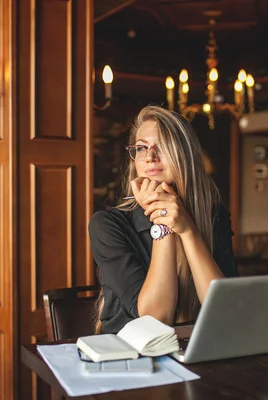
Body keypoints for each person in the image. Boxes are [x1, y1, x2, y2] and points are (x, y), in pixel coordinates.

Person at [88, 105, 238, 334]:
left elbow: (226, 310)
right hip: (130, 356)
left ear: (184, 154)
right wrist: (163, 221)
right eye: (140, 148)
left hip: (196, 351)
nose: (149, 157)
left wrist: (189, 231)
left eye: (162, 147)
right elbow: (156, 319)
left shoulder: (213, 216)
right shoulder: (107, 224)